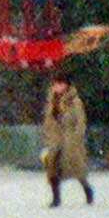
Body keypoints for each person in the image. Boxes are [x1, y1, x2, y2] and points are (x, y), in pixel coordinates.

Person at [42, 74, 93, 207]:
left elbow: (81, 121)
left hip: (70, 141)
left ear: (66, 85)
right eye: (55, 84)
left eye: (60, 84)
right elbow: (48, 120)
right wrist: (48, 134)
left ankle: (87, 189)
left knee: (77, 169)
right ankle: (56, 198)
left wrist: (76, 137)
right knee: (52, 168)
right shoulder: (51, 102)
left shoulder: (75, 101)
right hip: (55, 140)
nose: (57, 87)